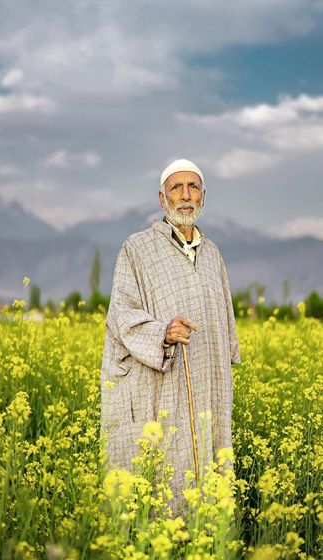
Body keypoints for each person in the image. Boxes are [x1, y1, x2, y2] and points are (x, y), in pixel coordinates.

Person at [100, 158, 241, 517]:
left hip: (208, 386)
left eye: (193, 187)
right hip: (161, 386)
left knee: (208, 472)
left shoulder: (212, 255)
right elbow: (122, 314)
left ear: (204, 197)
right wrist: (163, 332)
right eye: (176, 187)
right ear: (162, 198)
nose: (185, 195)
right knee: (161, 480)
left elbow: (226, 321)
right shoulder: (137, 249)